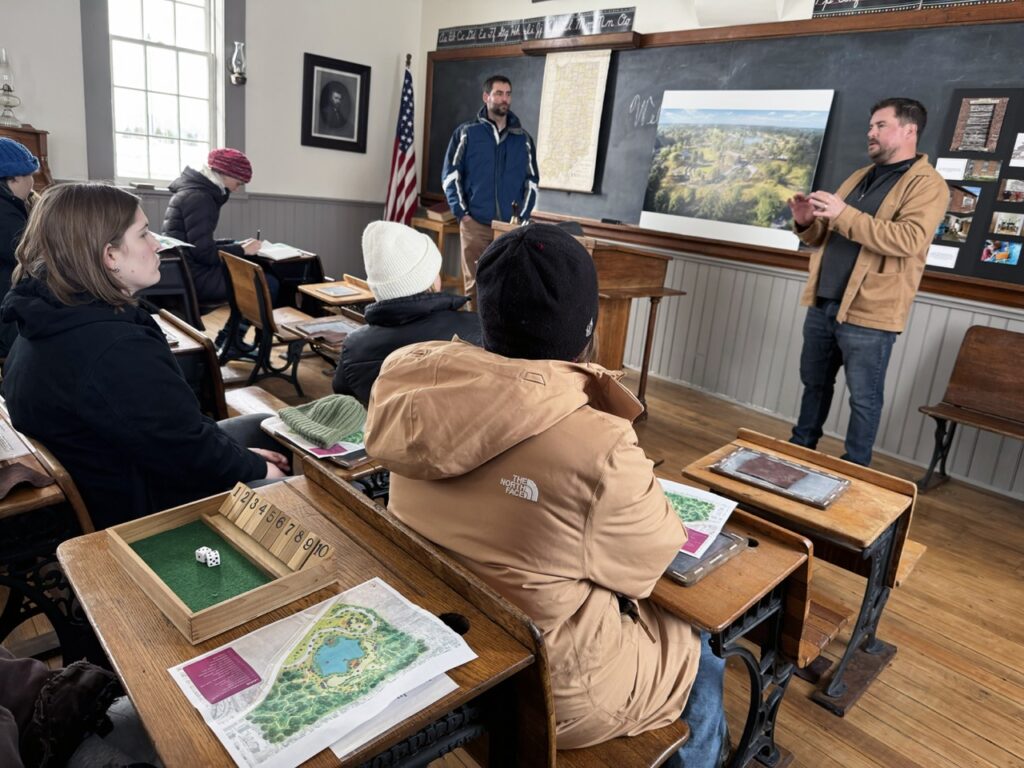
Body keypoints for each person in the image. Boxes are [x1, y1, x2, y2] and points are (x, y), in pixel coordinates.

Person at [365, 224, 727, 766]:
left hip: (450, 644)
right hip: (553, 693)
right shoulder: (597, 442)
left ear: (485, 311)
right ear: (588, 323)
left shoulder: (408, 380)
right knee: (703, 646)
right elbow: (655, 556)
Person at [0, 183, 289, 530]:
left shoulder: (47, 313)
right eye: (144, 234)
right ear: (110, 255)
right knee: (300, 490)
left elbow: (170, 430)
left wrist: (241, 456)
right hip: (143, 508)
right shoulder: (114, 348)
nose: (157, 245)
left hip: (120, 471)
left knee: (263, 425)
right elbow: (184, 449)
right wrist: (256, 470)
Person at [787, 97, 947, 467]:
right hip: (824, 302)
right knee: (814, 385)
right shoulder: (859, 176)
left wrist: (844, 214)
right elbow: (824, 236)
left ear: (909, 130)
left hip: (870, 313)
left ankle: (855, 470)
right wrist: (807, 221)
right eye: (870, 126)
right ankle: (796, 453)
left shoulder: (928, 185)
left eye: (880, 125)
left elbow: (907, 240)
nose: (870, 132)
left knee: (863, 399)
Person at [332, 221, 482, 406]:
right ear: (429, 279)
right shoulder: (476, 330)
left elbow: (342, 396)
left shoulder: (355, 345)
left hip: (383, 433)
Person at [441, 74, 540, 305]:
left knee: (507, 287)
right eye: (498, 93)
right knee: (474, 287)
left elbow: (532, 181)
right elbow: (450, 175)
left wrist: (522, 217)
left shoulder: (523, 139)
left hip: (510, 228)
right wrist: (462, 214)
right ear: (486, 97)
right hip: (475, 224)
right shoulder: (466, 133)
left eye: (508, 94)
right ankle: (474, 339)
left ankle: (499, 340)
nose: (504, 99)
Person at [161, 147, 263, 306]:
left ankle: (234, 329)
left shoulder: (193, 192)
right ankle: (234, 330)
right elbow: (204, 253)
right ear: (225, 173)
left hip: (186, 272)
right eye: (238, 183)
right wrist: (242, 250)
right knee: (266, 283)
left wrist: (235, 244)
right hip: (197, 278)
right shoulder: (200, 198)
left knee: (258, 276)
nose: (236, 189)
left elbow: (197, 244)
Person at [0, 138, 39, 358]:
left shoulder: (8, 207)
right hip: (6, 322)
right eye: (30, 175)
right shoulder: (5, 213)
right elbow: (34, 256)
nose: (33, 183)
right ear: (13, 177)